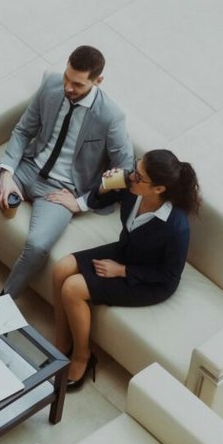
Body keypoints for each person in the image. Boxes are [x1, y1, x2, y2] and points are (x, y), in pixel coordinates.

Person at [0, 46, 135, 297]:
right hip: (27, 167)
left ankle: (3, 302)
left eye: (77, 84)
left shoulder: (111, 117)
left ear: (97, 81)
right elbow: (24, 130)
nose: (68, 87)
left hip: (62, 191)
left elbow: (126, 170)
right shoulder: (52, 85)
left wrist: (82, 202)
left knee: (37, 245)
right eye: (67, 77)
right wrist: (6, 174)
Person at [48, 149, 201, 390]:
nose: (132, 176)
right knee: (61, 268)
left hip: (149, 281)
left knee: (72, 289)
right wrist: (104, 187)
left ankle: (83, 357)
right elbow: (99, 201)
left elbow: (169, 275)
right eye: (135, 168)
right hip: (126, 251)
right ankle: (61, 344)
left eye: (139, 177)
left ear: (159, 189)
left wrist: (123, 271)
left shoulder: (176, 227)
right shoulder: (133, 189)